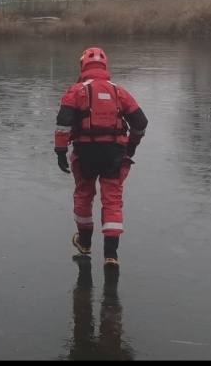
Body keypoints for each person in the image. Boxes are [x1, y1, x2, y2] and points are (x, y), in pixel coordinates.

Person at [54, 47, 149, 267]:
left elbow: (63, 123)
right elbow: (140, 123)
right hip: (114, 153)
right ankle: (111, 255)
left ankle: (85, 243)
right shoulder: (119, 92)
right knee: (113, 200)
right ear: (104, 66)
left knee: (84, 196)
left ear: (83, 66)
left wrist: (60, 151)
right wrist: (131, 146)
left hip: (85, 152)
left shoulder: (75, 91)